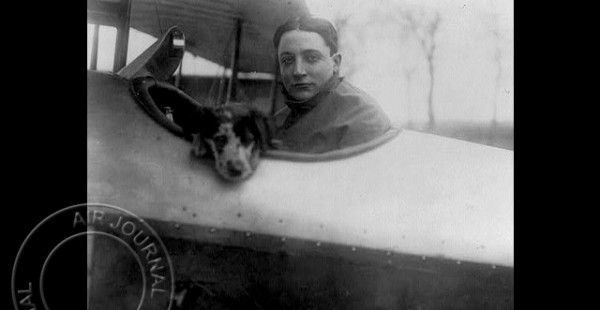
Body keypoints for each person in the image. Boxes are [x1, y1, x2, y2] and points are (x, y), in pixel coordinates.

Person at [272, 15, 392, 153]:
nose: (298, 71)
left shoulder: (362, 116)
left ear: (335, 63)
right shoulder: (280, 118)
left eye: (311, 58)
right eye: (287, 60)